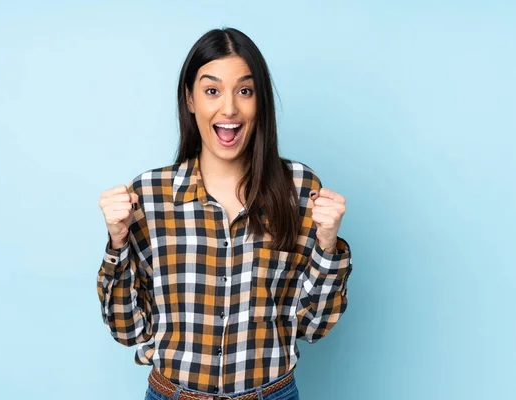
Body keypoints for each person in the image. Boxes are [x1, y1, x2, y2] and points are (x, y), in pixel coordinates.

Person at [96, 27, 353, 400]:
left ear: (259, 101)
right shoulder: (150, 196)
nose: (229, 108)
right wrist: (117, 243)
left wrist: (328, 247)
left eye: (244, 91)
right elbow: (127, 329)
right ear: (190, 99)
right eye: (212, 90)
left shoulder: (299, 189)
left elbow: (313, 327)